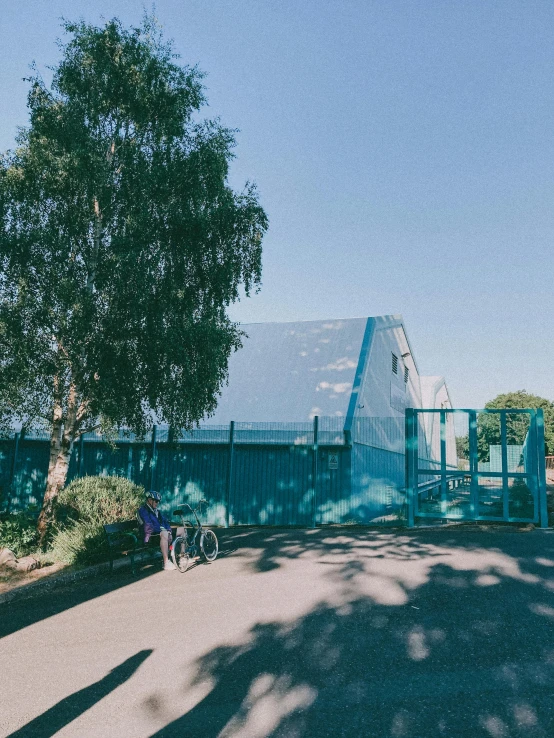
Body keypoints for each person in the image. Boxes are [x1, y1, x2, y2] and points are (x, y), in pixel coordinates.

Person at [137, 491, 175, 571]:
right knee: (164, 533)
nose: (157, 503)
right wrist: (164, 531)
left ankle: (183, 557)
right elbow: (148, 526)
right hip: (149, 536)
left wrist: (169, 530)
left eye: (158, 501)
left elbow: (165, 522)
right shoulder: (143, 510)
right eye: (156, 501)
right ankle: (166, 563)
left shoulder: (157, 511)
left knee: (181, 530)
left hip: (158, 534)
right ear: (150, 500)